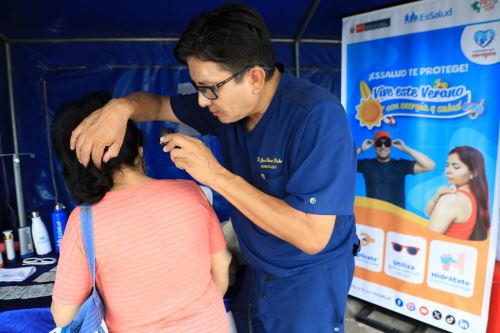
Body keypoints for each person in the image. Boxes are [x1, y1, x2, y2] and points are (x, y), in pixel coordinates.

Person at [69, 4, 359, 333]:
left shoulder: (316, 117)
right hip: (258, 268)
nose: (203, 102)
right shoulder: (228, 105)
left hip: (307, 279)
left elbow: (311, 236)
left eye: (209, 89)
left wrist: (215, 175)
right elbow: (158, 105)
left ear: (254, 77)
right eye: (198, 89)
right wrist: (121, 108)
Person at [50, 91, 231, 332]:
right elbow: (222, 269)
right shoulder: (191, 192)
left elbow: (63, 316)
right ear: (140, 149)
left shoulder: (83, 221)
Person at [357, 130, 435, 208]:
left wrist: (406, 149)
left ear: (391, 146)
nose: (383, 146)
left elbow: (430, 165)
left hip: (397, 217)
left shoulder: (401, 165)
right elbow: (344, 163)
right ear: (374, 147)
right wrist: (361, 149)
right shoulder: (366, 164)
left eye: (387, 143)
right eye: (379, 143)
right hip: (375, 215)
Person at [426, 146, 490, 241]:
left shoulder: (451, 200)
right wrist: (437, 197)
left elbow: (429, 238)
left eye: (456, 167)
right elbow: (428, 213)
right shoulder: (474, 199)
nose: (448, 171)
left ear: (474, 172)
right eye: (447, 165)